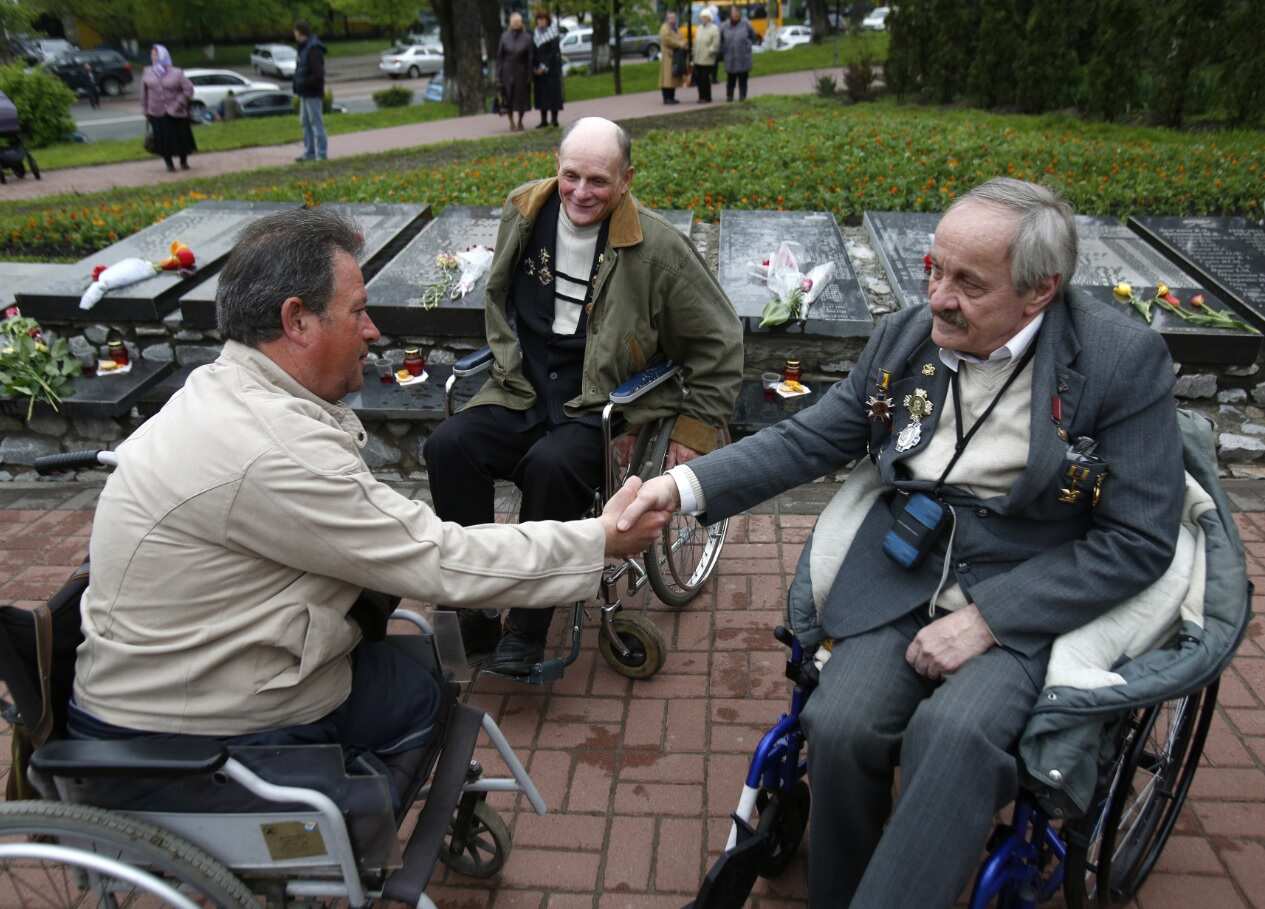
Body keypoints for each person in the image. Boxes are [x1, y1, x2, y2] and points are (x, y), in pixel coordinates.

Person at [619, 178, 1185, 907]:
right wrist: (681, 492)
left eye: (967, 283)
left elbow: (1138, 539)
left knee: (950, 740)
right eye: (933, 269)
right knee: (840, 723)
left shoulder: (1118, 361)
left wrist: (985, 620)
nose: (938, 296)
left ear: (1038, 291)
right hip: (905, 562)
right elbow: (809, 436)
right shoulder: (907, 334)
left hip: (1028, 587)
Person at [69, 208, 669, 804]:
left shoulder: (223, 391)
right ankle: (363, 821)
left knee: (416, 665)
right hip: (192, 721)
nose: (373, 330)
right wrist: (600, 541)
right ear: (297, 321)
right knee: (423, 692)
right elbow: (440, 559)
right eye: (356, 311)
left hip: (185, 670)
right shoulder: (272, 450)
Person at [423, 117, 743, 676]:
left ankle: (527, 627)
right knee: (449, 446)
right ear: (556, 165)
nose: (580, 192)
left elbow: (720, 339)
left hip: (601, 405)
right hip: (523, 387)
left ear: (626, 179)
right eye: (571, 175)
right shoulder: (523, 212)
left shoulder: (659, 248)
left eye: (598, 180)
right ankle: (472, 605)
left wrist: (695, 428)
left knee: (553, 467)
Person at [141, 44, 195, 173]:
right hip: (156, 112)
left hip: (176, 112)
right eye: (152, 55)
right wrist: (145, 110)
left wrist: (178, 104)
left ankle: (183, 161)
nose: (153, 57)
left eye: (156, 54)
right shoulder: (147, 72)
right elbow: (144, 93)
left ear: (163, 56)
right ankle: (169, 164)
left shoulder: (177, 72)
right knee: (162, 140)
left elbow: (188, 90)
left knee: (181, 137)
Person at [293, 20, 327, 162]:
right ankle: (310, 153)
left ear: (300, 32)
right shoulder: (304, 48)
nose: (294, 34)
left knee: (316, 123)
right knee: (305, 122)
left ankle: (321, 154)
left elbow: (318, 74)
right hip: (304, 93)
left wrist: (304, 83)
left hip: (312, 93)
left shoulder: (313, 49)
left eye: (295, 32)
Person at [497, 12, 534, 132]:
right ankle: (511, 121)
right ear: (510, 23)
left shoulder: (527, 37)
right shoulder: (504, 36)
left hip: (521, 71)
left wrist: (529, 74)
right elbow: (500, 57)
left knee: (521, 98)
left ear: (521, 22)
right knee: (508, 98)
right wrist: (499, 74)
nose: (516, 23)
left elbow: (530, 58)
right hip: (507, 72)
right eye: (514, 21)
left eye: (518, 21)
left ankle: (520, 121)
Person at [719, 5, 758, 102]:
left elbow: (753, 36)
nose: (736, 14)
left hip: (743, 58)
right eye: (734, 12)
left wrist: (748, 46)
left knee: (743, 80)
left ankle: (742, 98)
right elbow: (720, 40)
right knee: (730, 81)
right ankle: (729, 97)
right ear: (730, 14)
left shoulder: (746, 24)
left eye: (737, 12)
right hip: (730, 58)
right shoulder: (724, 26)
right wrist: (722, 50)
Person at [532, 9, 564, 128]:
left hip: (551, 70)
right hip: (538, 72)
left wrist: (544, 67)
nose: (541, 22)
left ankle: (554, 120)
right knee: (541, 96)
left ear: (547, 21)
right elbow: (533, 53)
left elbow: (553, 53)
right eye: (539, 19)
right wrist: (534, 67)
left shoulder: (553, 34)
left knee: (553, 95)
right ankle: (543, 120)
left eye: (543, 19)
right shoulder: (534, 34)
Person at [658, 11, 688, 105]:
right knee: (667, 78)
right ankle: (666, 98)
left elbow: (682, 37)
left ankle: (672, 97)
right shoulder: (664, 28)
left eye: (674, 18)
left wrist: (684, 42)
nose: (673, 20)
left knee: (674, 77)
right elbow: (667, 40)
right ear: (667, 19)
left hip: (676, 56)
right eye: (671, 18)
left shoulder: (675, 28)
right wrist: (680, 44)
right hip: (668, 56)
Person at [692, 9, 721, 103]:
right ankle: (701, 97)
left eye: (705, 17)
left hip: (707, 59)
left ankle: (707, 97)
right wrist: (694, 53)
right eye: (702, 17)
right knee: (699, 79)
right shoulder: (699, 28)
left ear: (709, 18)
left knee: (705, 78)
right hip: (698, 58)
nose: (703, 19)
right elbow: (696, 42)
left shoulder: (714, 28)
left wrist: (710, 51)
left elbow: (715, 43)